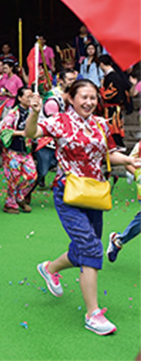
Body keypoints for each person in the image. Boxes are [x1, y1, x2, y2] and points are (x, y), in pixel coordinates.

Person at [26, 80, 140, 335]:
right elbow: (32, 134)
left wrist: (130, 160)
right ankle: (93, 314)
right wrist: (34, 112)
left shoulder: (101, 123)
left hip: (94, 193)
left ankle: (50, 268)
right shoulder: (59, 121)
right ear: (70, 97)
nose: (89, 102)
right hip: (68, 193)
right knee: (91, 247)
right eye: (84, 97)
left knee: (85, 247)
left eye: (93, 97)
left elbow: (109, 154)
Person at [35, 69, 78, 189]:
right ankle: (35, 181)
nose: (72, 82)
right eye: (69, 80)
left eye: (74, 80)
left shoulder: (72, 96)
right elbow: (53, 123)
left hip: (62, 136)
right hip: (47, 137)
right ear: (61, 81)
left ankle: (59, 184)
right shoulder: (53, 99)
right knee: (44, 168)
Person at [0, 87, 37, 213]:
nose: (30, 99)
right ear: (19, 98)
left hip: (26, 151)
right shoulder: (13, 113)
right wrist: (21, 133)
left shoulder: (33, 112)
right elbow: (4, 130)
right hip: (12, 151)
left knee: (32, 176)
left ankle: (19, 197)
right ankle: (10, 204)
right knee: (13, 178)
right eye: (27, 97)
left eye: (32, 96)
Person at [106, 141, 140, 262]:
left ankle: (118, 240)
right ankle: (119, 240)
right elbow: (128, 162)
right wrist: (138, 174)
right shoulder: (140, 146)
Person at [98, 55, 129, 150]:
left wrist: (102, 90)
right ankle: (117, 145)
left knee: (113, 127)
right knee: (113, 127)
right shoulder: (113, 75)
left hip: (112, 107)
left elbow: (112, 91)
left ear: (102, 64)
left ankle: (118, 146)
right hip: (112, 106)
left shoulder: (112, 77)